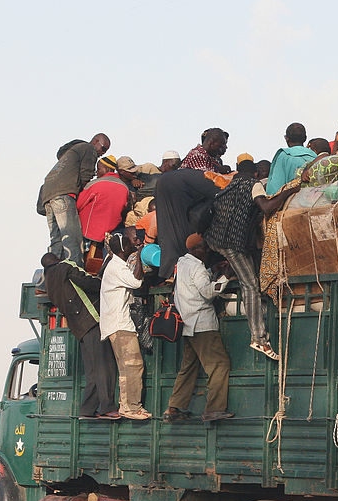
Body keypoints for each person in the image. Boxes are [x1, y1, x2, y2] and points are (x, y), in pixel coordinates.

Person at [204, 159, 299, 360]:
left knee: (246, 275)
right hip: (232, 244)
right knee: (250, 285)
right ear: (255, 174)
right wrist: (288, 192)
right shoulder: (253, 185)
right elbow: (266, 206)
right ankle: (259, 338)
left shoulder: (228, 187)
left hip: (215, 241)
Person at [40, 252, 119, 419]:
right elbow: (89, 282)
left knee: (92, 370)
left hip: (78, 326)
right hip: (90, 320)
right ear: (57, 260)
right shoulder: (66, 267)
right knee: (105, 367)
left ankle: (88, 409)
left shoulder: (49, 282)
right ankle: (107, 407)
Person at [164, 234, 232, 423]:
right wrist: (226, 276)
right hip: (202, 324)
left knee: (189, 368)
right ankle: (214, 409)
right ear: (195, 250)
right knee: (219, 365)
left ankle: (174, 408)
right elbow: (209, 292)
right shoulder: (197, 266)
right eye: (204, 247)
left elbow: (193, 283)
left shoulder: (182, 263)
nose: (208, 251)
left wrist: (212, 270)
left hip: (187, 324)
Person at [37, 134, 111, 266]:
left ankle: (50, 277)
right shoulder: (89, 149)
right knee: (72, 239)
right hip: (64, 194)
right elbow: (86, 176)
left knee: (57, 241)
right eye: (103, 148)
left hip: (48, 195)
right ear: (95, 142)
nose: (102, 153)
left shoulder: (71, 152)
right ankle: (75, 274)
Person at [99, 233, 151, 420]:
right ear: (123, 249)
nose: (134, 244)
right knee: (132, 365)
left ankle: (128, 406)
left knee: (127, 367)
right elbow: (137, 282)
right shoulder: (116, 268)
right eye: (130, 244)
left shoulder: (116, 265)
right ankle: (130, 408)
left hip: (118, 323)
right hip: (119, 325)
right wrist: (140, 255)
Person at [153, 168, 220, 279]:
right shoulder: (205, 179)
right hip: (188, 257)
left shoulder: (167, 179)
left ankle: (170, 273)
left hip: (171, 256)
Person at [76, 156, 130, 243]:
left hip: (89, 233)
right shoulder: (125, 188)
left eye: (99, 169)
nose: (96, 172)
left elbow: (79, 205)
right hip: (111, 234)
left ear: (107, 169)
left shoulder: (95, 184)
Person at [265, 123, 318, 195]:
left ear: (286, 138)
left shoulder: (284, 156)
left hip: (293, 203)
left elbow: (275, 190)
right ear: (305, 138)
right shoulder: (316, 157)